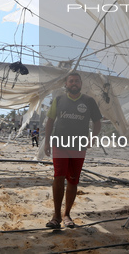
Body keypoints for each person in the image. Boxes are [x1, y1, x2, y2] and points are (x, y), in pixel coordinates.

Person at [44, 72, 101, 229]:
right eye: (71, 81)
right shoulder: (59, 100)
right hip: (59, 144)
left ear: (81, 84)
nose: (74, 83)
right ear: (66, 84)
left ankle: (66, 214)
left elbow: (97, 122)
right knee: (58, 177)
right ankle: (56, 216)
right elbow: (50, 121)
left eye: (77, 81)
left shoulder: (89, 101)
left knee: (73, 180)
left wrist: (93, 137)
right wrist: (47, 141)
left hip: (78, 146)